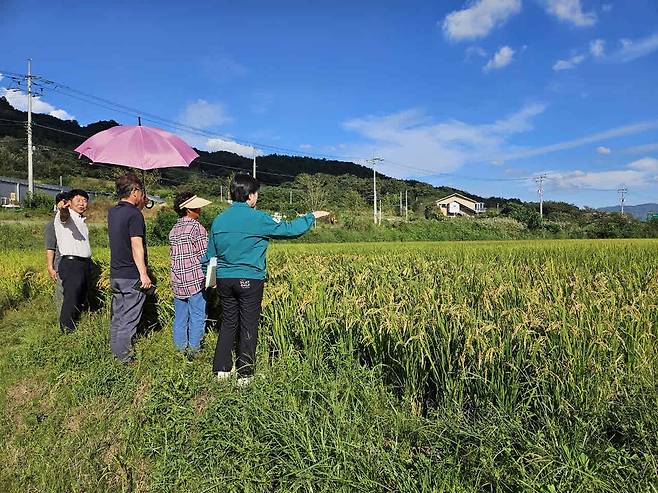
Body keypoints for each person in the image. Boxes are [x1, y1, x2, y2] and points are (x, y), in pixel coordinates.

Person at [202, 174, 329, 385]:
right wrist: (311, 216)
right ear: (250, 196)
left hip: (224, 279)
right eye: (256, 194)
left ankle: (222, 370)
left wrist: (212, 278)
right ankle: (245, 373)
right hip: (250, 279)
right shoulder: (258, 218)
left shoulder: (219, 219)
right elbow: (289, 230)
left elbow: (210, 255)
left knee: (229, 322)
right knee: (249, 324)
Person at [107, 173, 151, 364]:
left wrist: (141, 204)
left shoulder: (113, 212)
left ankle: (115, 353)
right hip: (131, 275)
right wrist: (143, 274)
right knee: (129, 318)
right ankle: (123, 359)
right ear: (134, 191)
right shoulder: (134, 215)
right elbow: (136, 245)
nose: (142, 195)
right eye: (140, 191)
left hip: (116, 274)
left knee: (118, 316)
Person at [169, 192, 211, 359]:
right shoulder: (196, 227)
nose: (199, 210)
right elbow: (204, 255)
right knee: (197, 316)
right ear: (188, 209)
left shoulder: (174, 229)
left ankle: (179, 350)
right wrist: (212, 278)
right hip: (195, 279)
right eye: (196, 207)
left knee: (180, 317)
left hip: (177, 280)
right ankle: (194, 351)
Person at [54, 189, 91, 333]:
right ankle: (67, 330)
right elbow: (64, 216)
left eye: (85, 200)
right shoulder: (65, 216)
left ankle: (76, 324)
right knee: (72, 296)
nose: (82, 203)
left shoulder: (81, 219)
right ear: (69, 203)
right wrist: (63, 209)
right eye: (78, 200)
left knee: (81, 296)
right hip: (71, 263)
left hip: (84, 264)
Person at [44, 191, 68, 313]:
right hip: (60, 266)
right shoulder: (52, 225)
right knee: (61, 295)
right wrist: (50, 267)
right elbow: (50, 247)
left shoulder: (74, 222)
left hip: (73, 266)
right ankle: (62, 323)